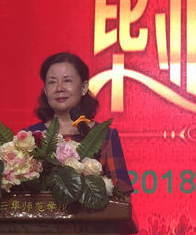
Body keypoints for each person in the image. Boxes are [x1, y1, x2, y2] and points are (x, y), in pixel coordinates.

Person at [27, 52, 133, 196]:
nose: (59, 88)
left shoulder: (105, 137)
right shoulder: (29, 138)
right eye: (52, 82)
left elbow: (123, 196)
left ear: (83, 88)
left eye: (67, 80)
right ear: (45, 91)